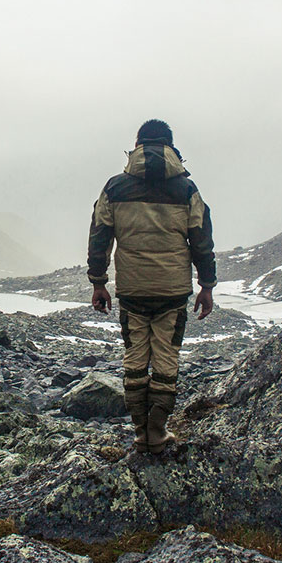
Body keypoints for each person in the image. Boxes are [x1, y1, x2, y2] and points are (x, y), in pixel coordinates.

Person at [87, 119, 216, 454]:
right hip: (172, 292)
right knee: (166, 358)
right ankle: (157, 432)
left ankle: (140, 433)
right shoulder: (188, 191)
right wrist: (207, 285)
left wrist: (99, 283)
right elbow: (201, 240)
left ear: (138, 146)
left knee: (134, 357)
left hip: (132, 291)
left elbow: (100, 236)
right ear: (171, 147)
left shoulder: (115, 188)